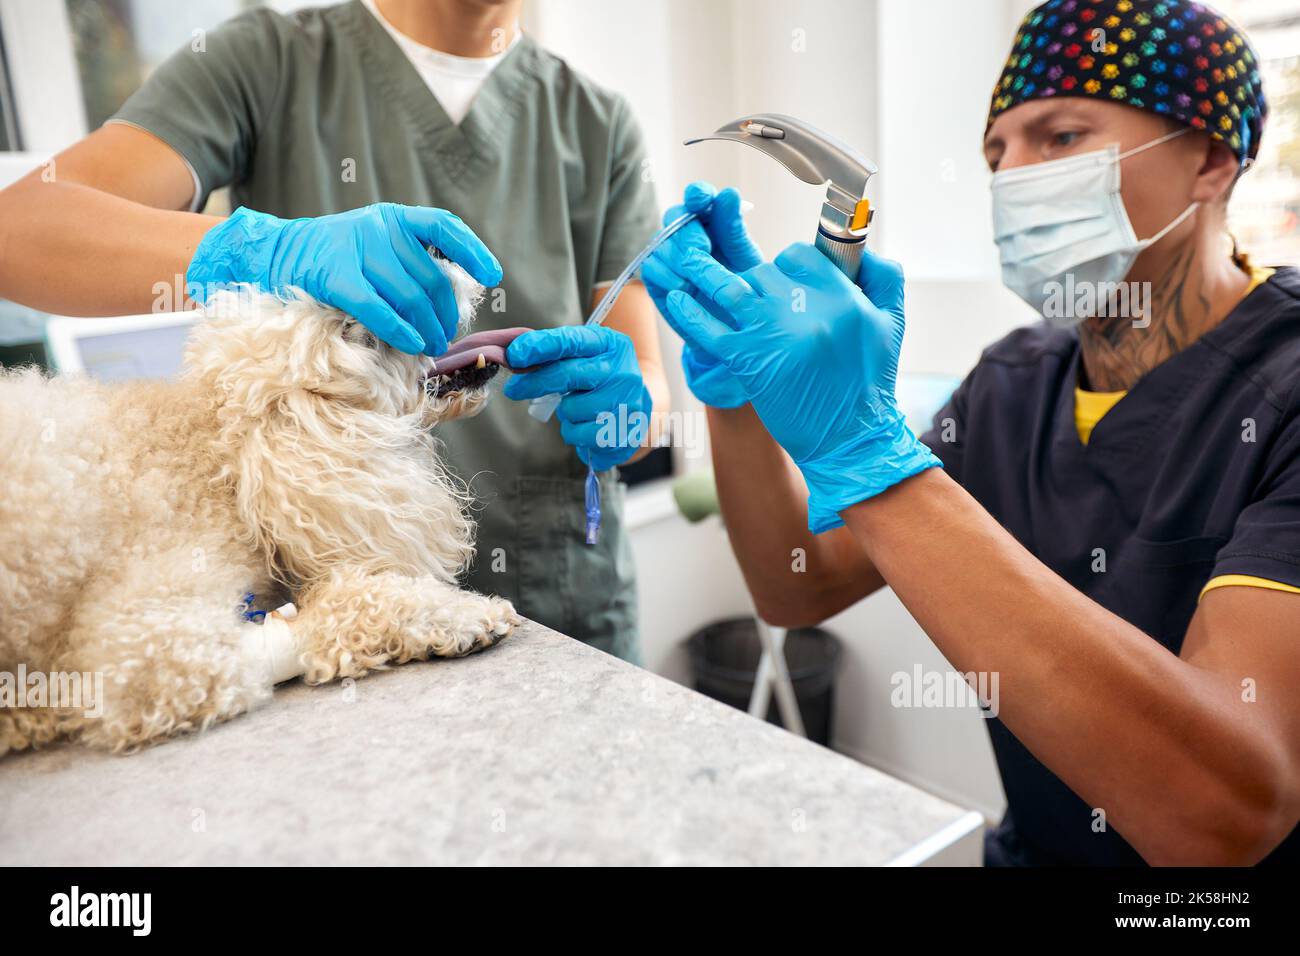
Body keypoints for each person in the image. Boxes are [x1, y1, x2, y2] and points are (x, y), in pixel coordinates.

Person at [643, 0, 1299, 865]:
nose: (1012, 179)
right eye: (998, 154)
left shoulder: (1282, 390)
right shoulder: (1012, 382)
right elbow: (798, 586)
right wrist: (737, 396)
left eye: (1059, 137)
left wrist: (867, 450)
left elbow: (1225, 813)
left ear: (1211, 157)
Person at [0, 0, 668, 662]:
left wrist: (626, 415)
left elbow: (649, 395)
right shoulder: (264, 62)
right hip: (337, 625)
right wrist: (265, 250)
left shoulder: (599, 124)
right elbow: (18, 232)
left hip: (568, 604)